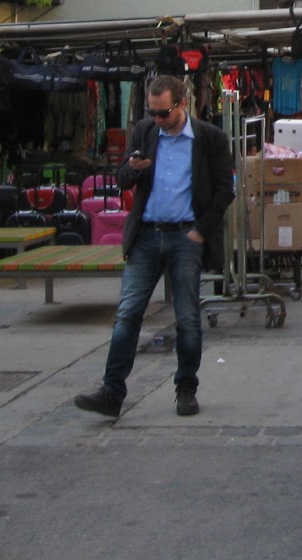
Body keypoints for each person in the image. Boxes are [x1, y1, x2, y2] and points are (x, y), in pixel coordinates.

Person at [74, 75, 234, 420]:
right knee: (128, 313)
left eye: (164, 114)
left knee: (187, 318)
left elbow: (225, 190)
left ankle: (186, 389)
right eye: (153, 113)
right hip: (146, 234)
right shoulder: (145, 132)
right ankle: (111, 392)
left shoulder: (210, 139)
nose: (158, 120)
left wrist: (201, 231)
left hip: (185, 237)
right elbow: (122, 179)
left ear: (182, 104)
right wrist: (131, 170)